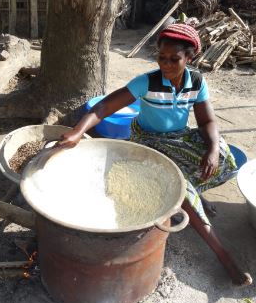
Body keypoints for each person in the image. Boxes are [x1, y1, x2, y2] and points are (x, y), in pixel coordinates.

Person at [58, 23, 252, 286]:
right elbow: (103, 107)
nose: (167, 64)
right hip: (149, 140)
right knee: (182, 188)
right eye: (161, 57)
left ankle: (194, 190)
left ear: (189, 58)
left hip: (178, 136)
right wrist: (78, 131)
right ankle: (224, 256)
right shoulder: (146, 83)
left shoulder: (196, 82)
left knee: (225, 158)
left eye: (175, 59)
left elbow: (207, 122)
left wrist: (213, 150)